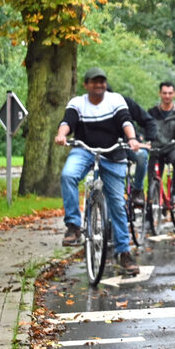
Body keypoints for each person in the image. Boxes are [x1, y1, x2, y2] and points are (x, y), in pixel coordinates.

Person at [54, 67, 143, 275]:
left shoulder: (115, 100)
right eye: (94, 81)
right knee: (68, 175)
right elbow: (67, 121)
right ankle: (74, 226)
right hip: (84, 150)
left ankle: (124, 253)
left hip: (112, 154)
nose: (99, 85)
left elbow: (125, 121)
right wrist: (61, 135)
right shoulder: (78, 103)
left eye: (102, 81)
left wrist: (131, 138)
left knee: (118, 206)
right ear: (86, 85)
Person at [108, 84, 158, 205]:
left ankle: (137, 190)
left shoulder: (125, 103)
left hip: (129, 145)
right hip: (106, 149)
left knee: (142, 155)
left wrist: (148, 140)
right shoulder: (91, 107)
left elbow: (148, 121)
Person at [146, 81, 175, 215]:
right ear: (160, 94)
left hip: (172, 147)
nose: (167, 96)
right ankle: (151, 208)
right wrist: (145, 141)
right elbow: (146, 127)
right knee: (152, 178)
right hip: (156, 148)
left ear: (174, 94)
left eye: (170, 93)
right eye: (164, 93)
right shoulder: (152, 112)